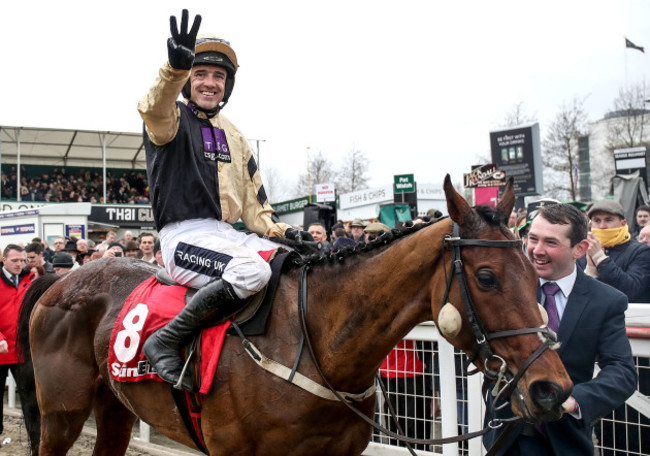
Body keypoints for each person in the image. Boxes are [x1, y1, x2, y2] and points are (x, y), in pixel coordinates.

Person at [138, 9, 304, 391]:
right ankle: (166, 338)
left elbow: (255, 206)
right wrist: (173, 70)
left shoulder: (235, 134)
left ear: (227, 86)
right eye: (200, 74)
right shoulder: (170, 118)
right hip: (182, 238)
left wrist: (285, 232)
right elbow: (152, 106)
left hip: (226, 234)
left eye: (218, 76)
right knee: (253, 272)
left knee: (296, 264)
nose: (210, 83)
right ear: (188, 81)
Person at [483, 203, 637, 456]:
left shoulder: (606, 301)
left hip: (566, 442)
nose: (537, 250)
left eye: (551, 243)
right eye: (532, 239)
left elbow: (622, 371)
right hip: (504, 440)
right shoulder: (503, 290)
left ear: (580, 249)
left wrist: (574, 401)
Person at [578, 199, 650, 303]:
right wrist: (590, 271)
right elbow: (576, 292)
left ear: (623, 223)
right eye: (597, 221)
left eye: (608, 220)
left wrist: (600, 259)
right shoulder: (582, 251)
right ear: (590, 223)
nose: (602, 226)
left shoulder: (641, 251)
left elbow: (631, 290)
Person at [0, 245, 35, 436]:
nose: (19, 264)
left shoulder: (31, 280)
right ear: (4, 260)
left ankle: (36, 441)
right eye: (15, 260)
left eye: (22, 260)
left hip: (24, 350)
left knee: (31, 400)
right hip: (1, 350)